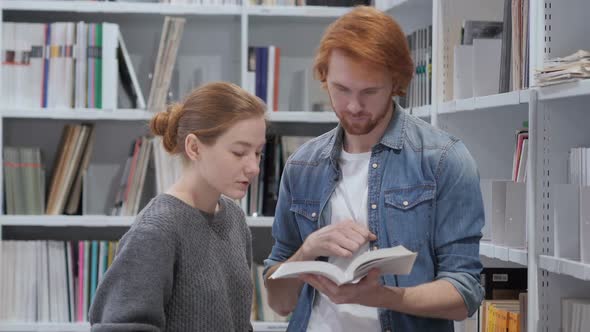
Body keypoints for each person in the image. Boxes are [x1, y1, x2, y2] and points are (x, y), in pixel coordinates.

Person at [263, 6, 484, 331]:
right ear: (325, 77)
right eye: (341, 89)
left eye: (369, 91)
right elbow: (279, 302)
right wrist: (307, 251)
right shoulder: (302, 165)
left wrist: (383, 297)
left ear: (396, 82)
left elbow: (465, 294)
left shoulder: (443, 159)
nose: (353, 106)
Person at [89, 81, 266, 331]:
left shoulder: (234, 218)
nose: (254, 168)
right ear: (194, 148)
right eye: (239, 152)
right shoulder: (157, 231)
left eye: (259, 153)